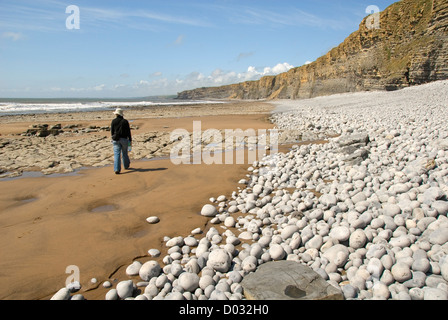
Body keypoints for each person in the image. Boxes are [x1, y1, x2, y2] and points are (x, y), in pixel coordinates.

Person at [111, 108, 132, 174]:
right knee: (124, 153)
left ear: (116, 114)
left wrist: (113, 137)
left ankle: (117, 169)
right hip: (124, 139)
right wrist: (130, 139)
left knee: (117, 154)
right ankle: (126, 166)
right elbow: (128, 131)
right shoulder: (125, 121)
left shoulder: (113, 121)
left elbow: (112, 131)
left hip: (116, 139)